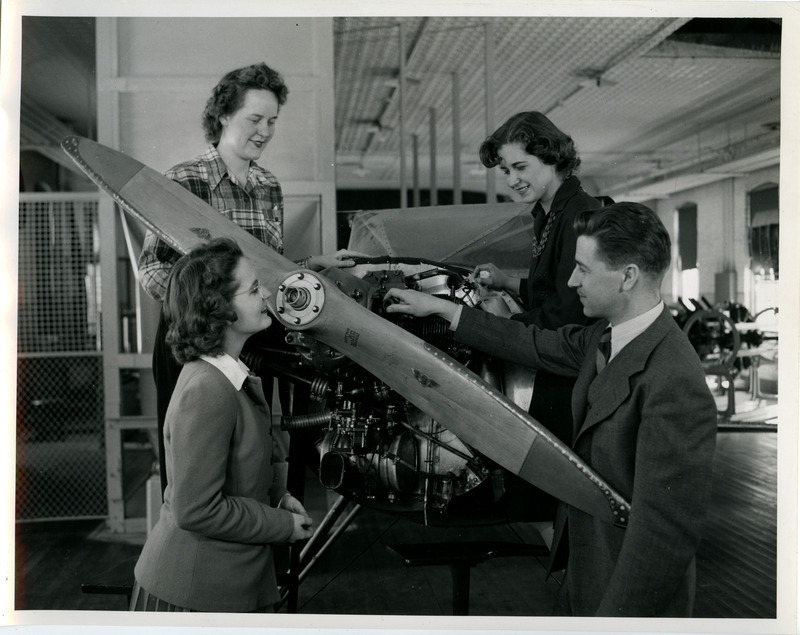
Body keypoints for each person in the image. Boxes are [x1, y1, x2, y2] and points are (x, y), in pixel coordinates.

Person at [384, 202, 718, 617]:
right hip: (590, 568)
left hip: (628, 598)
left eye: (584, 269)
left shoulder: (673, 380)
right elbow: (534, 343)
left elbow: (665, 535)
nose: (573, 281)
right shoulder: (607, 334)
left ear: (628, 276)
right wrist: (445, 310)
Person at [138, 62, 361, 497]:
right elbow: (152, 269)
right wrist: (210, 311)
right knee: (195, 468)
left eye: (272, 121)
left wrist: (316, 264)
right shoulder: (184, 180)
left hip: (257, 336)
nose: (264, 131)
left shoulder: (268, 186)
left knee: (256, 456)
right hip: (199, 339)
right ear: (223, 115)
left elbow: (268, 272)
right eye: (254, 119)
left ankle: (266, 549)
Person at [130, 238, 314, 613]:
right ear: (221, 310)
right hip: (193, 596)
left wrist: (279, 493)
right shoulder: (208, 389)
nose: (266, 294)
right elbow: (195, 509)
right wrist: (281, 525)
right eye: (252, 289)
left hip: (225, 587)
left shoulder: (228, 376)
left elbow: (246, 463)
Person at [471, 111, 604, 523]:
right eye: (506, 170)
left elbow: (569, 313)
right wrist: (508, 283)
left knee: (556, 500)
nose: (512, 179)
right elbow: (553, 289)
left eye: (520, 167)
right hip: (554, 359)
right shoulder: (548, 212)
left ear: (552, 158)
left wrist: (498, 327)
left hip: (568, 372)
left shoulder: (579, 214)